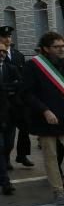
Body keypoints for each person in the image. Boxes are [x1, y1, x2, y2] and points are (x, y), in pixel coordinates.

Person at [19, 32, 64, 206]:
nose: (61, 49)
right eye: (57, 47)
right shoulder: (33, 66)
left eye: (62, 46)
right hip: (46, 117)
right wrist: (44, 110)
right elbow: (26, 93)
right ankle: (57, 191)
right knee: (50, 155)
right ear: (45, 49)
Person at [0, 25, 32, 168]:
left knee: (25, 126)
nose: (8, 39)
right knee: (8, 131)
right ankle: (6, 157)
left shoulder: (18, 55)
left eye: (9, 36)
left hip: (19, 99)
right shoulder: (1, 54)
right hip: (4, 101)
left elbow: (23, 79)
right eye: (4, 37)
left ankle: (22, 154)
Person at [0, 40, 15, 194]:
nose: (1, 54)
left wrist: (6, 88)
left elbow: (20, 85)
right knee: (0, 147)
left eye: (4, 51)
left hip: (9, 116)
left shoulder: (11, 68)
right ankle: (5, 182)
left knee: (8, 145)